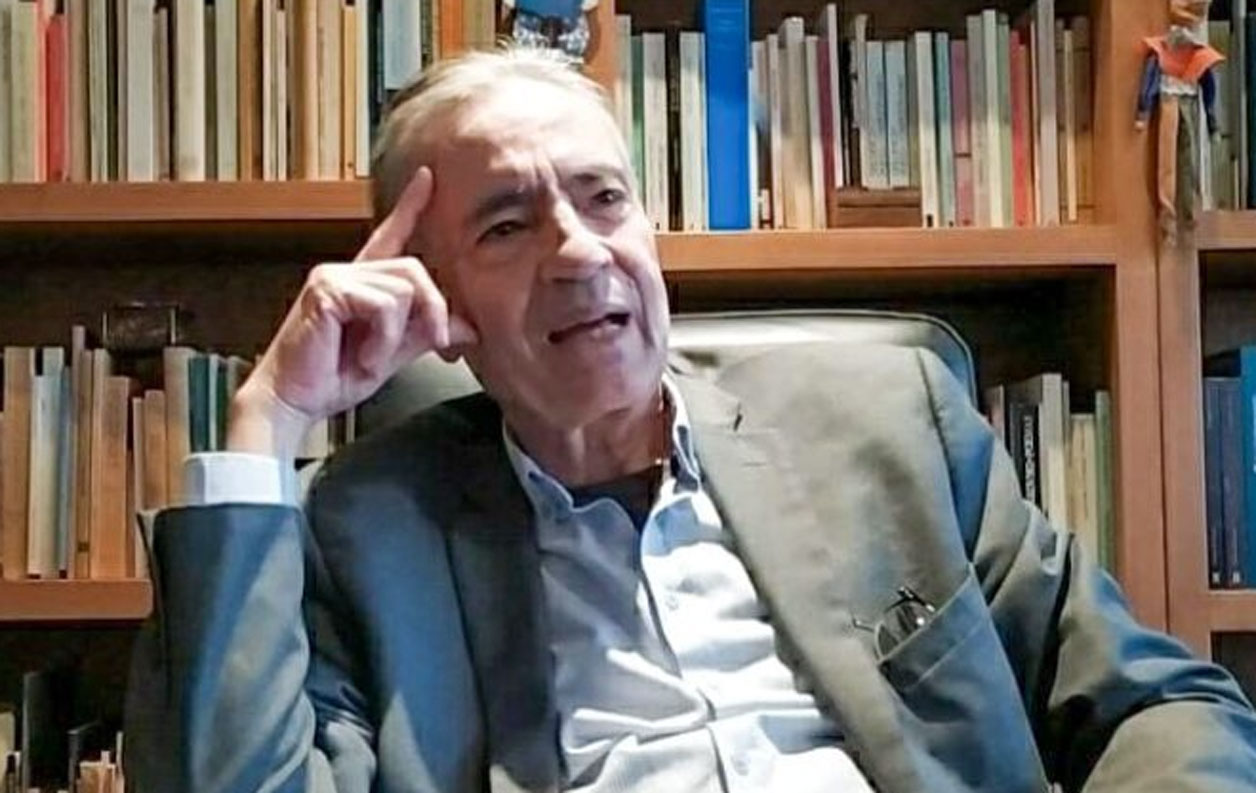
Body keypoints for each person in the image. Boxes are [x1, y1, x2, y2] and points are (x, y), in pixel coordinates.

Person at [124, 47, 1256, 793]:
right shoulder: (368, 527)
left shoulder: (886, 425)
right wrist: (268, 422)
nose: (580, 250)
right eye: (507, 226)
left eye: (603, 197)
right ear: (434, 302)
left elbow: (1155, 702)